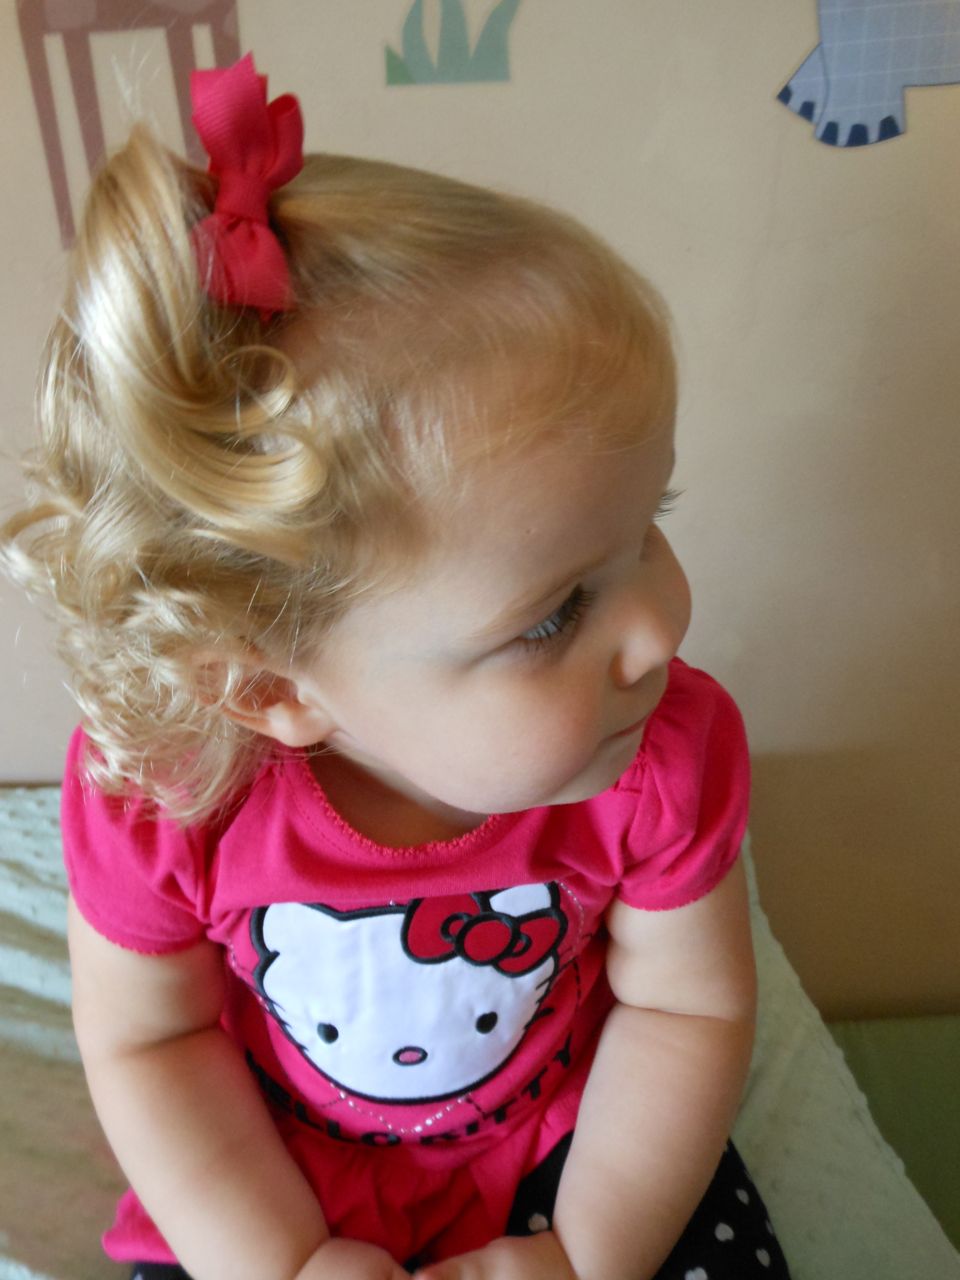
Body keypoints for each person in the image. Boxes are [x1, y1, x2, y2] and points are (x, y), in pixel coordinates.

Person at [1, 54, 790, 1280]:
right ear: (273, 690)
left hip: (576, 1146)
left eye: (649, 526)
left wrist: (587, 1252)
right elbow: (152, 1043)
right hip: (272, 1169)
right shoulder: (165, 793)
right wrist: (284, 1259)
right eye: (554, 614)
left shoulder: (664, 755)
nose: (658, 631)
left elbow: (684, 1006)